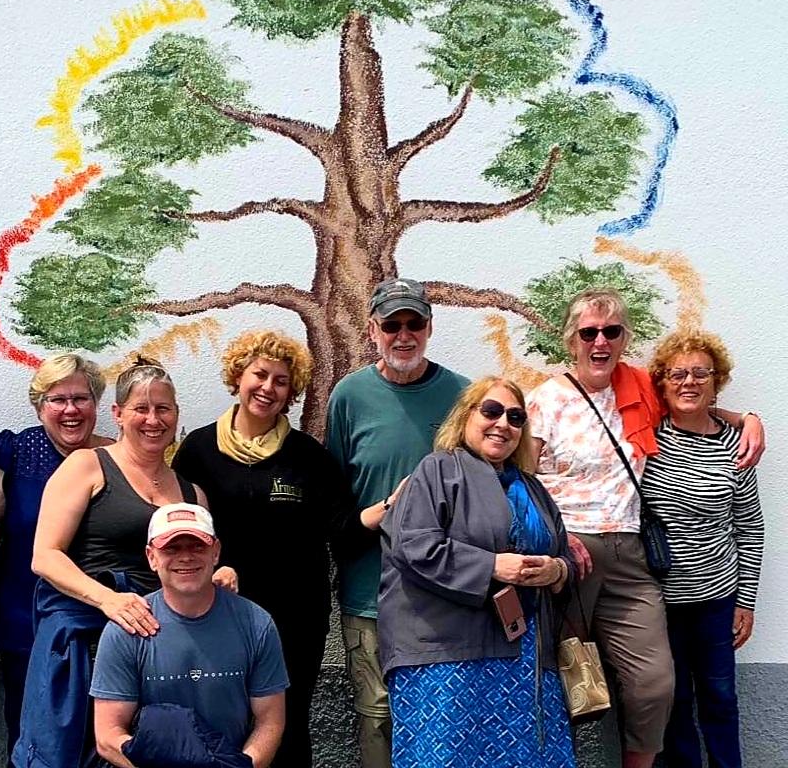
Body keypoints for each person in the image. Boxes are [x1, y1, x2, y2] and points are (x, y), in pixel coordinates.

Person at [526, 288, 765, 768]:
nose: (600, 341)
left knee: (655, 683)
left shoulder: (638, 386)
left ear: (622, 339)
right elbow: (523, 482)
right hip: (569, 555)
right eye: (589, 332)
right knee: (559, 678)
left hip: (632, 555)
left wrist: (750, 420)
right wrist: (556, 535)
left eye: (611, 332)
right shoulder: (544, 399)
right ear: (572, 340)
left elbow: (692, 400)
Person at [173, 330, 377, 768]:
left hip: (295, 618)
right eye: (259, 375)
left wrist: (380, 515)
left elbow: (340, 529)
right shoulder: (197, 452)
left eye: (281, 381)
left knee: (285, 725)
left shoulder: (308, 456)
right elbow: (179, 532)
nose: (268, 388)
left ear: (291, 392)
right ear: (238, 377)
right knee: (219, 719)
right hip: (217, 611)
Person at [13, 360, 232, 768]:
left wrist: (218, 574)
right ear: (117, 414)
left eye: (164, 409)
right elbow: (45, 556)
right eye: (141, 408)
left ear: (177, 415)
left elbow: (193, 560)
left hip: (157, 647)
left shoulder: (192, 493)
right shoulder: (86, 466)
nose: (153, 419)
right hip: (85, 640)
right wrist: (109, 601)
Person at [379, 377, 576, 768]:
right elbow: (415, 546)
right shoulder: (438, 470)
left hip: (524, 662)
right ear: (466, 416)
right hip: (446, 656)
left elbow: (563, 553)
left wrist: (555, 571)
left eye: (516, 417)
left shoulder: (532, 488)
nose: (503, 423)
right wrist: (491, 566)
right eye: (491, 411)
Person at [326, 278, 470, 768]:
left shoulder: (461, 395)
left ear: (429, 328)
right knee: (378, 718)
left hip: (443, 594)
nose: (403, 335)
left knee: (445, 716)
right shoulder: (349, 396)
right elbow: (336, 501)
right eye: (392, 325)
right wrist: (384, 509)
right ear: (373, 330)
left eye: (414, 324)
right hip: (370, 592)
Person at [641, 331, 764, 768]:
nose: (688, 382)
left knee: (720, 697)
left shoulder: (736, 444)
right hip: (656, 600)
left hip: (716, 598)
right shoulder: (646, 437)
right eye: (677, 373)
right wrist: (749, 414)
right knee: (671, 702)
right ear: (661, 382)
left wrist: (745, 601)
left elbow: (749, 528)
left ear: (717, 381)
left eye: (700, 373)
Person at [0, 353, 114, 766]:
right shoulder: (14, 453)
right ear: (39, 406)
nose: (70, 410)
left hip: (103, 624)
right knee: (31, 739)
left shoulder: (117, 457)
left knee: (102, 740)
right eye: (57, 400)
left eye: (81, 398)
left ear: (96, 404)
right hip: (27, 622)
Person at [91, 502, 289, 768]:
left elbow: (270, 721)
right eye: (171, 548)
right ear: (151, 557)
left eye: (198, 546)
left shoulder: (256, 623)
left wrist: (243, 766)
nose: (186, 557)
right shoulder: (125, 630)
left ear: (215, 552)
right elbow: (108, 736)